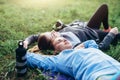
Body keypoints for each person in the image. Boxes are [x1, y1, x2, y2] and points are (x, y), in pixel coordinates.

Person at [23, 4, 120, 51]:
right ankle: (107, 32)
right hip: (95, 34)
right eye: (52, 35)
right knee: (117, 35)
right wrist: (111, 34)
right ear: (53, 44)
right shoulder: (68, 44)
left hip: (88, 26)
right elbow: (99, 48)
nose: (53, 31)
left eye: (51, 32)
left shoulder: (55, 36)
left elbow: (34, 37)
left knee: (104, 7)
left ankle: (106, 27)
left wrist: (26, 42)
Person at [24, 40, 120, 80]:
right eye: (59, 41)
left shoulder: (90, 48)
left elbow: (91, 42)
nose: (64, 40)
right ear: (54, 51)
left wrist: (80, 46)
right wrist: (22, 47)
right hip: (99, 75)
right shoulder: (59, 59)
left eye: (63, 38)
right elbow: (31, 58)